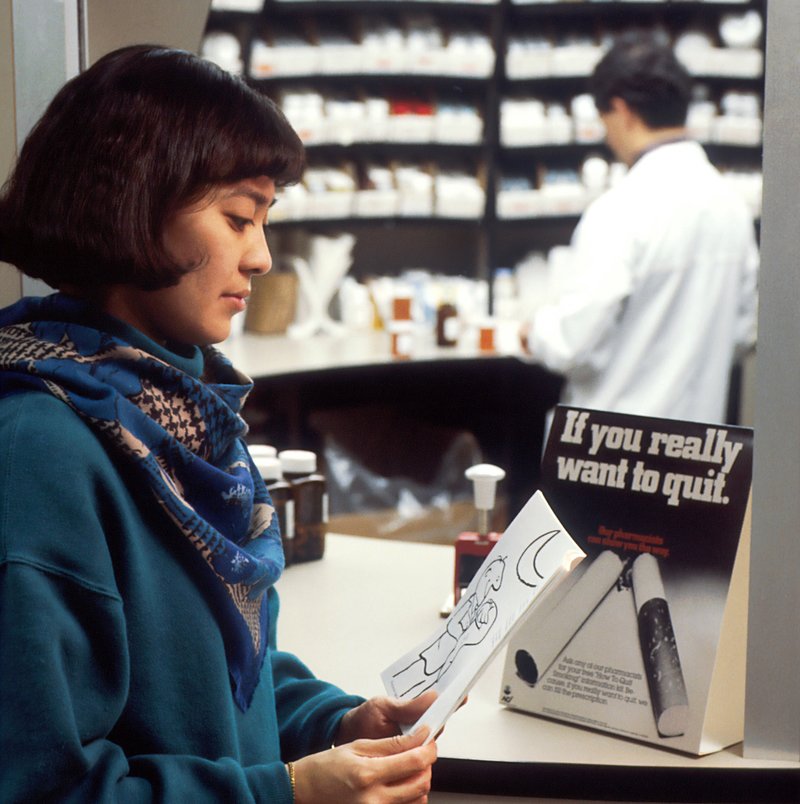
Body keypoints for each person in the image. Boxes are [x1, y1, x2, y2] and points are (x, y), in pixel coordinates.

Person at [0, 45, 438, 803]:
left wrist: (332, 722)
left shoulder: (181, 409)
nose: (262, 256)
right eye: (238, 217)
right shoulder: (41, 452)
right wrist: (285, 794)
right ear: (135, 201)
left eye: (265, 219)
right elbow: (43, 788)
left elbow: (220, 665)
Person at [522, 32, 759, 424]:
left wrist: (533, 332)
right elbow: (742, 332)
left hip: (612, 458)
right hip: (699, 452)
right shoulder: (732, 206)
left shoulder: (619, 210)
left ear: (621, 111)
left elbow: (573, 345)